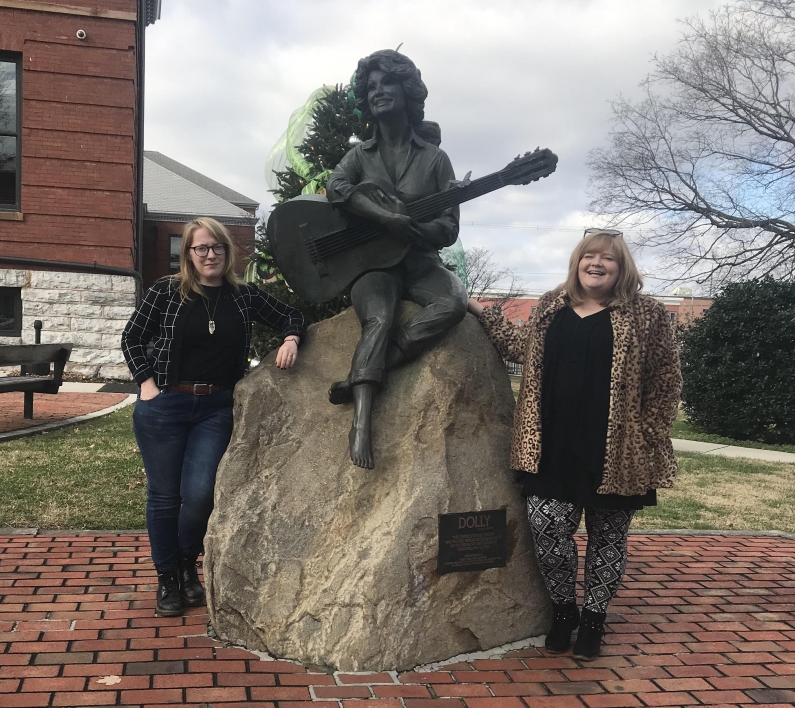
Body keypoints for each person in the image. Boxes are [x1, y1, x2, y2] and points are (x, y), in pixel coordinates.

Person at [467, 229, 681, 660]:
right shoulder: (550, 305)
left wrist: (647, 434)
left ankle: (595, 620)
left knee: (608, 537)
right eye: (589, 256)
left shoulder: (648, 315)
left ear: (622, 268)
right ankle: (564, 611)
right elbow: (516, 346)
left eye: (608, 258)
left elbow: (666, 381)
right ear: (577, 261)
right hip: (551, 446)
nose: (597, 264)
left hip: (617, 452)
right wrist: (479, 310)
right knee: (548, 530)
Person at [121, 217, 305, 617]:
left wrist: (291, 338)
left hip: (215, 408)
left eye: (217, 247)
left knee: (202, 492)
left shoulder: (243, 296)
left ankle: (188, 563)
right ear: (188, 253)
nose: (210, 255)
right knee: (165, 496)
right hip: (165, 405)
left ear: (228, 252)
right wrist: (147, 385)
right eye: (201, 248)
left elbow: (293, 316)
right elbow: (132, 337)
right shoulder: (166, 292)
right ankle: (168, 578)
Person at [326, 49, 468, 469]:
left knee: (454, 302)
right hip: (374, 266)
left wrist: (414, 230)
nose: (378, 92)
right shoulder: (360, 155)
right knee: (380, 317)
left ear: (406, 91)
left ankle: (366, 375)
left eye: (387, 83)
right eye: (371, 87)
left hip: (421, 262)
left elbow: (449, 227)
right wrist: (385, 218)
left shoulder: (435, 158)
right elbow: (336, 187)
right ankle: (362, 424)